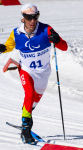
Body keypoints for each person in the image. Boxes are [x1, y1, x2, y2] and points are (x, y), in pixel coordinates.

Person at [0, 3, 68, 144]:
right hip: (26, 70)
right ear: (22, 18)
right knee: (29, 94)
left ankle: (26, 116)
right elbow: (8, 46)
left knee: (33, 102)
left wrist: (58, 40)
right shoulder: (16, 33)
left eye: (35, 17)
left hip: (43, 72)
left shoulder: (46, 30)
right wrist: (2, 48)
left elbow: (64, 47)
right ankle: (26, 129)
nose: (32, 21)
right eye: (28, 17)